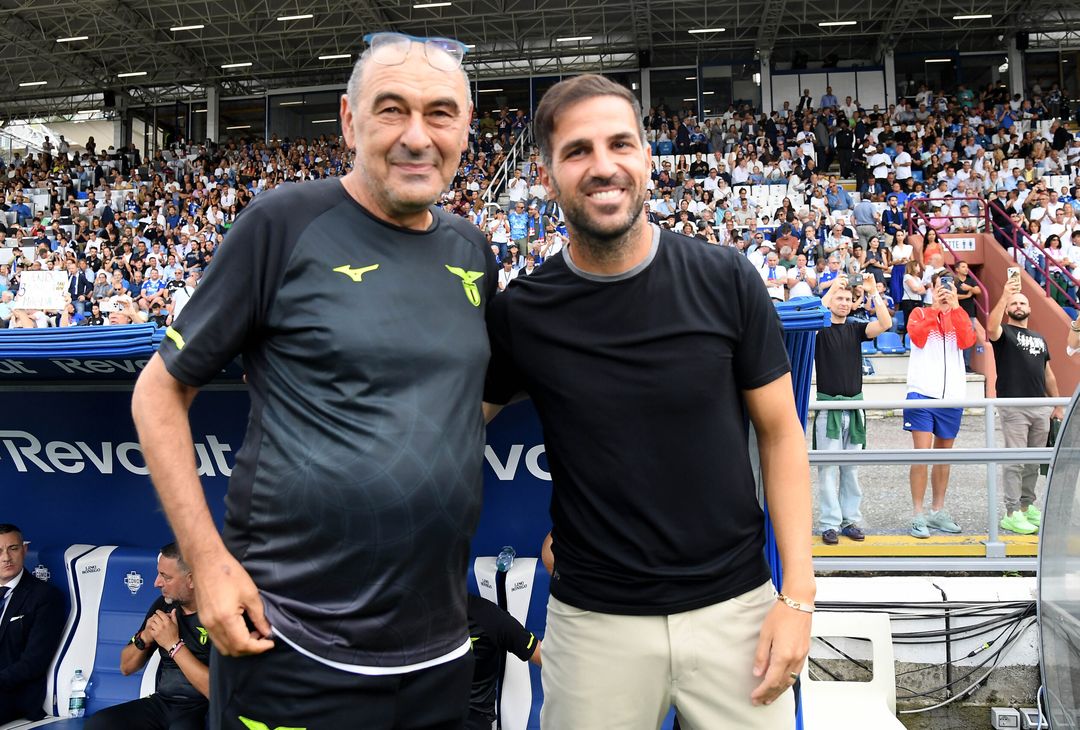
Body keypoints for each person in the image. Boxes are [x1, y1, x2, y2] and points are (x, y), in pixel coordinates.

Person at [132, 31, 493, 730]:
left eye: (441, 113)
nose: (418, 136)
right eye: (392, 110)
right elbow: (158, 391)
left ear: (466, 128)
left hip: (439, 650)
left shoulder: (471, 249)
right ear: (349, 121)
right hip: (289, 641)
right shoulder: (283, 223)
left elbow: (457, 400)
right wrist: (206, 566)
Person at [483, 74, 813, 729]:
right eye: (577, 151)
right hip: (593, 625)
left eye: (620, 144)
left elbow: (781, 434)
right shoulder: (522, 312)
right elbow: (447, 432)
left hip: (737, 615)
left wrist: (798, 595)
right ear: (547, 174)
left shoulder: (725, 280)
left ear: (646, 159)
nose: (603, 166)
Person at [85, 543, 210, 730]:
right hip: (164, 704)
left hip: (206, 709)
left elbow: (216, 690)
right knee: (99, 723)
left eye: (165, 577)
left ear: (191, 580)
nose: (156, 583)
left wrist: (173, 645)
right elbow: (126, 667)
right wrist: (144, 638)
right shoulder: (164, 605)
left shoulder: (222, 617)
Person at [815, 274, 893, 545]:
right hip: (829, 408)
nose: (844, 303)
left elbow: (885, 323)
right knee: (827, 470)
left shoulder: (855, 328)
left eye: (848, 299)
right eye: (840, 298)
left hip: (854, 407)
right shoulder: (819, 329)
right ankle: (829, 523)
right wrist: (833, 287)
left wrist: (873, 293)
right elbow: (816, 313)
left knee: (851, 469)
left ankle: (850, 519)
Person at [987, 278, 1063, 535]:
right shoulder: (1004, 334)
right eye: (1014, 303)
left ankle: (1027, 505)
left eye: (1022, 302)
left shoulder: (1039, 338)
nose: (1019, 305)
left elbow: (1048, 373)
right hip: (1014, 406)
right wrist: (1004, 294)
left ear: (1030, 309)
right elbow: (991, 327)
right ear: (1008, 309)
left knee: (1033, 462)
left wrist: (1057, 404)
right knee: (1015, 461)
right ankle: (1011, 513)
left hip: (1040, 406)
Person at [904, 271, 976, 538]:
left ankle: (938, 511)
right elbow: (918, 338)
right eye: (940, 286)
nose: (945, 290)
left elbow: (968, 341)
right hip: (922, 394)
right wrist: (935, 308)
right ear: (931, 289)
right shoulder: (920, 313)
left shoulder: (959, 315)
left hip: (953, 395)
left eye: (949, 286)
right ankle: (917, 514)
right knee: (921, 456)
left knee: (944, 457)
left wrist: (955, 309)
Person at [0, 524, 66, 724]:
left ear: (24, 550)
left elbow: (34, 661)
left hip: (14, 694)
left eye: (13, 548)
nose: (6, 558)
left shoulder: (44, 596)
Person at [466, 594, 542, 730]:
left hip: (472, 716)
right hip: (424, 713)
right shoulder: (417, 616)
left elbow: (546, 657)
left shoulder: (485, 614)